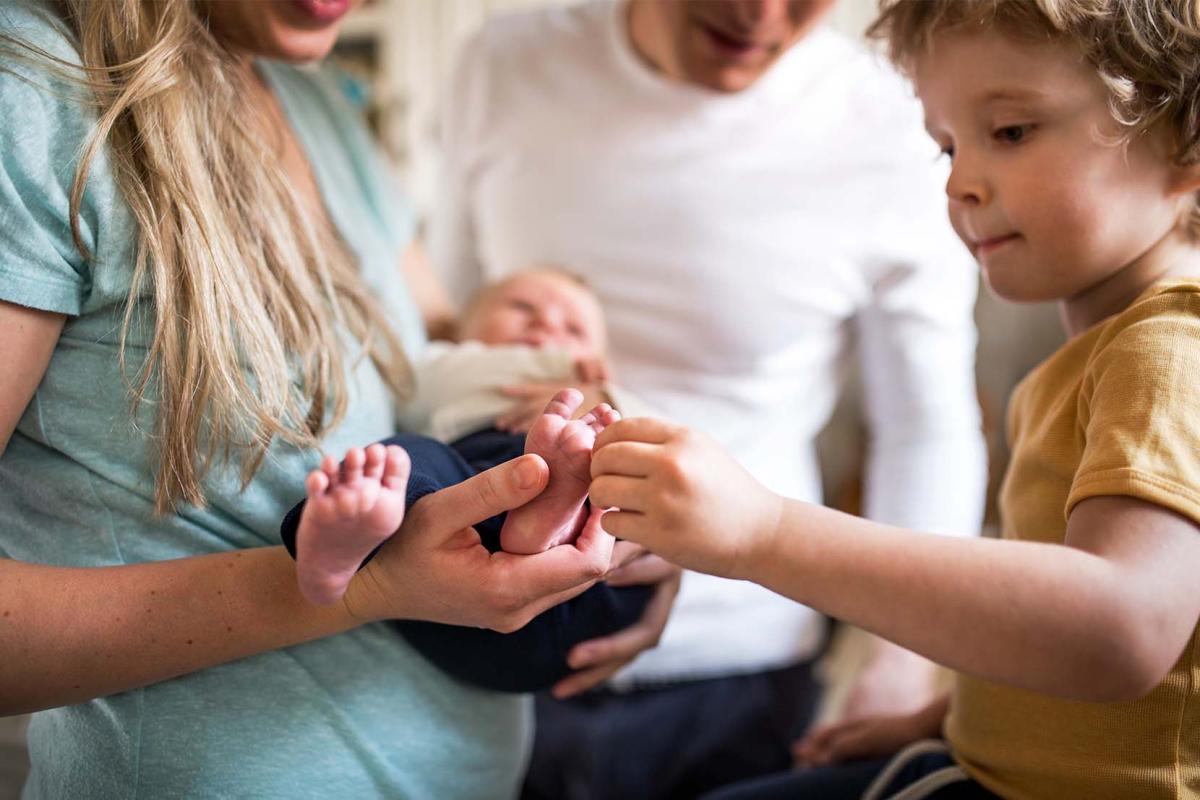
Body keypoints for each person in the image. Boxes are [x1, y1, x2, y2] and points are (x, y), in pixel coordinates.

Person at [0, 1, 662, 796]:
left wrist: (625, 525)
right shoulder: (31, 90)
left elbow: (459, 360)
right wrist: (364, 590)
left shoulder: (321, 106)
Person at [587, 0, 1200, 796]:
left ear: (1183, 135)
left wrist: (764, 533)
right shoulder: (1103, 354)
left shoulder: (1169, 348)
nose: (960, 182)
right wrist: (948, 715)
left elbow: (1121, 631)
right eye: (946, 145)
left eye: (1010, 132)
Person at [427, 0, 987, 795]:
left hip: (744, 676)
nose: (761, 14)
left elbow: (924, 427)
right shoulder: (506, 62)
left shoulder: (892, 119)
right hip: (501, 647)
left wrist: (900, 664)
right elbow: (449, 329)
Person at [279, 270, 662, 693]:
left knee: (604, 476)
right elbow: (415, 383)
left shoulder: (601, 392)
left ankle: (553, 511)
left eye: (574, 328)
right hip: (454, 563)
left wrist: (607, 394)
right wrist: (565, 369)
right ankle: (341, 547)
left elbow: (667, 444)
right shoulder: (448, 365)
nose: (547, 325)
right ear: (462, 329)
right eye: (522, 308)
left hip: (587, 589)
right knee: (403, 462)